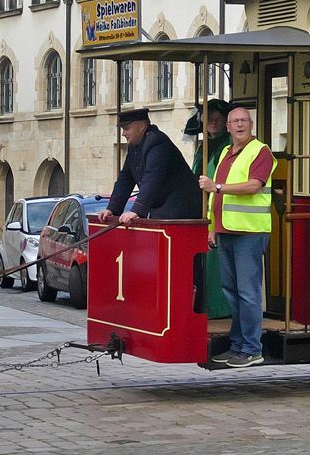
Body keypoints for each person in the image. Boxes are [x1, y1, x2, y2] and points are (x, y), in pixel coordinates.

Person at [199, 106, 274, 368]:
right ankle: (238, 345)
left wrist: (217, 186)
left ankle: (252, 348)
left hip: (249, 232)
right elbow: (215, 199)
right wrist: (212, 227)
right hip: (226, 231)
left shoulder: (260, 151)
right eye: (235, 122)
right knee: (232, 292)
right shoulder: (224, 153)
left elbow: (255, 185)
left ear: (251, 124)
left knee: (248, 293)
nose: (239, 125)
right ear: (228, 127)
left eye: (244, 120)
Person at [92, 108, 203, 225]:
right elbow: (125, 179)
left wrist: (137, 210)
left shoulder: (157, 142)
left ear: (142, 126)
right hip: (163, 208)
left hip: (180, 209)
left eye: (126, 128)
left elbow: (152, 178)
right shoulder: (135, 145)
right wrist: (112, 209)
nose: (123, 133)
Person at [190, 98, 231, 180]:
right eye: (209, 118)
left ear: (225, 121)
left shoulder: (229, 143)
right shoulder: (203, 145)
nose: (213, 122)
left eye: (218, 119)